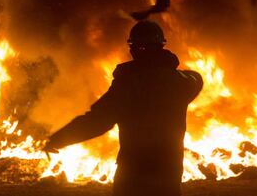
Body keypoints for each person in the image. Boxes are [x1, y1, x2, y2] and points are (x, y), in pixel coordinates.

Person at [44, 20, 203, 196]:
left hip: (133, 175)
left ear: (133, 49)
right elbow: (196, 78)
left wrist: (59, 139)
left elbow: (97, 121)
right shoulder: (180, 83)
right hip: (168, 174)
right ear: (161, 46)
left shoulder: (127, 84)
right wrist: (168, 68)